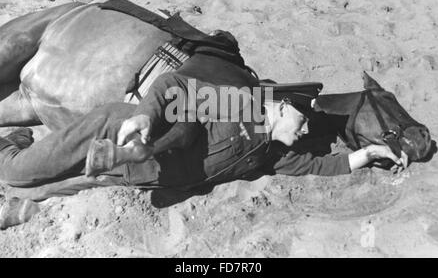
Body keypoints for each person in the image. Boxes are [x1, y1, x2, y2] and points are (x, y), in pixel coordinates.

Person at [0, 31, 407, 230]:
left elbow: (322, 166)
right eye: (302, 121)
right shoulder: (240, 104)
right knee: (15, 173)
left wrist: (368, 155)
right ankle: (11, 141)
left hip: (125, 175)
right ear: (282, 107)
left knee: (41, 190)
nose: (305, 132)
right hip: (115, 131)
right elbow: (171, 87)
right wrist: (142, 117)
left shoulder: (274, 154)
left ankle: (26, 144)